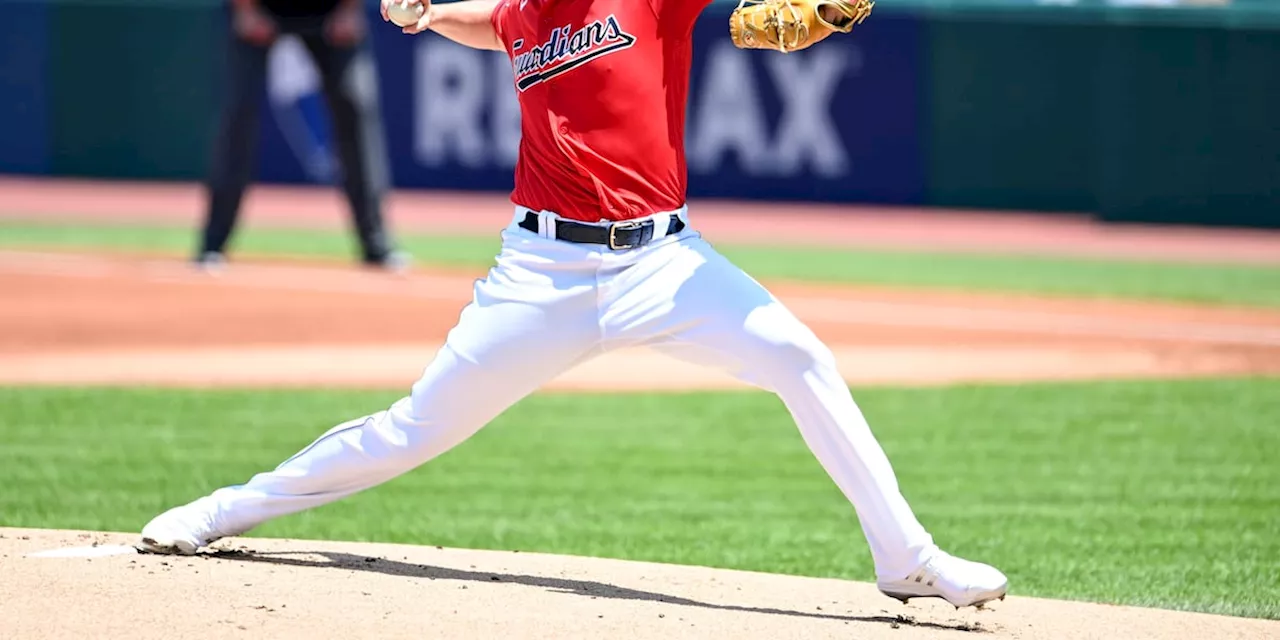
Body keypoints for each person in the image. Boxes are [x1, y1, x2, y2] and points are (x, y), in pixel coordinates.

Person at [139, 0, 1009, 609]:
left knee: (799, 359)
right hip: (539, 273)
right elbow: (497, 22)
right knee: (416, 427)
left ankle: (908, 560)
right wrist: (434, 14)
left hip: (663, 263)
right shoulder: (526, 12)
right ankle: (224, 511)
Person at [196, 0, 407, 271]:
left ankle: (377, 244)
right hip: (258, 7)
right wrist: (246, 11)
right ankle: (212, 244)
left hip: (329, 9)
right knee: (239, 111)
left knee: (356, 103)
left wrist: (348, 11)